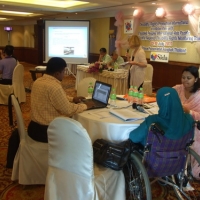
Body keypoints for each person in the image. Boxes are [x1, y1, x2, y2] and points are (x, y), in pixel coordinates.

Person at [28, 57, 94, 143]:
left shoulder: (37, 81)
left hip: (33, 127)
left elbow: (54, 98)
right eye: (63, 72)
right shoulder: (54, 87)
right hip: (47, 132)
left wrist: (73, 99)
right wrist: (86, 105)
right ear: (57, 74)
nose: (64, 74)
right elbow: (68, 110)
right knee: (79, 133)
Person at [129, 87, 194, 146]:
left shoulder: (152, 121)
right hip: (179, 157)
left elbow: (134, 137)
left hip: (154, 157)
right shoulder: (189, 120)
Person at [173, 66, 200, 179]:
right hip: (177, 122)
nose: (185, 80)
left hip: (194, 125)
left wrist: (189, 112)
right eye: (183, 77)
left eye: (188, 78)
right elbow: (165, 96)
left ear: (196, 79)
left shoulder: (198, 95)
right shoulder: (177, 89)